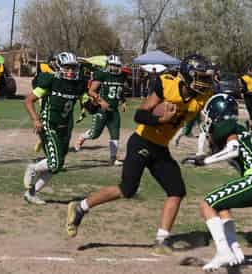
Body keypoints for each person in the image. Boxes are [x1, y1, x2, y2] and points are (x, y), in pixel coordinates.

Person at [65, 54, 214, 256]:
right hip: (142, 142)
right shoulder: (167, 85)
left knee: (176, 191)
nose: (204, 82)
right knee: (127, 189)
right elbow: (139, 115)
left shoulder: (202, 96)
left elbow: (210, 119)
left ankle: (161, 240)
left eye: (206, 78)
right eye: (200, 77)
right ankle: (80, 207)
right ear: (187, 75)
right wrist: (160, 118)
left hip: (161, 147)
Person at [182, 94, 252, 271]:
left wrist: (205, 161)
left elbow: (233, 150)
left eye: (208, 116)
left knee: (207, 204)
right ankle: (234, 250)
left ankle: (223, 251)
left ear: (217, 114)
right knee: (221, 205)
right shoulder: (237, 128)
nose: (206, 120)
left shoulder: (229, 127)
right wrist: (203, 156)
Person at [23, 52, 92, 205]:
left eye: (74, 68)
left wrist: (97, 106)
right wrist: (35, 119)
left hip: (66, 126)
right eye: (67, 68)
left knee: (57, 166)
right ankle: (33, 168)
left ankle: (31, 193)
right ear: (59, 67)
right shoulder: (51, 80)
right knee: (55, 163)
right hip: (49, 124)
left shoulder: (79, 84)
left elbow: (87, 102)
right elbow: (28, 101)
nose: (71, 71)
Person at [74, 55, 127, 166]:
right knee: (94, 134)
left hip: (114, 110)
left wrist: (123, 102)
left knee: (115, 135)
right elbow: (91, 91)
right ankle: (82, 137)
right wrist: (101, 101)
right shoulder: (102, 74)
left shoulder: (121, 76)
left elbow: (120, 90)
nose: (115, 68)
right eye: (113, 65)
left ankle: (113, 158)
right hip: (101, 110)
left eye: (117, 66)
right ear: (108, 65)